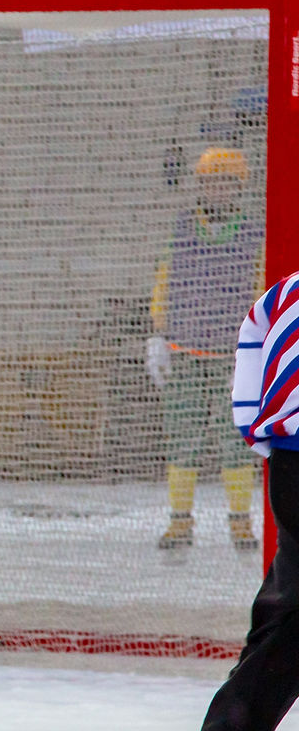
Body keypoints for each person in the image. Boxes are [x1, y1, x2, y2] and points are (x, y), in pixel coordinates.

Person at [179, 272, 299, 731]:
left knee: (290, 616)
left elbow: (254, 343)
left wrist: (265, 436)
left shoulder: (286, 290)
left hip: (292, 462)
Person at [147, 146, 265, 553]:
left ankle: (241, 522)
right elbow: (164, 282)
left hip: (234, 356)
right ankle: (180, 522)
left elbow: (261, 291)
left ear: (239, 189)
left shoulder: (253, 235)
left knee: (236, 441)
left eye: (226, 183)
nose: (218, 190)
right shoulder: (181, 230)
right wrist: (157, 335)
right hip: (184, 350)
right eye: (210, 182)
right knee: (182, 437)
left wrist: (255, 349)